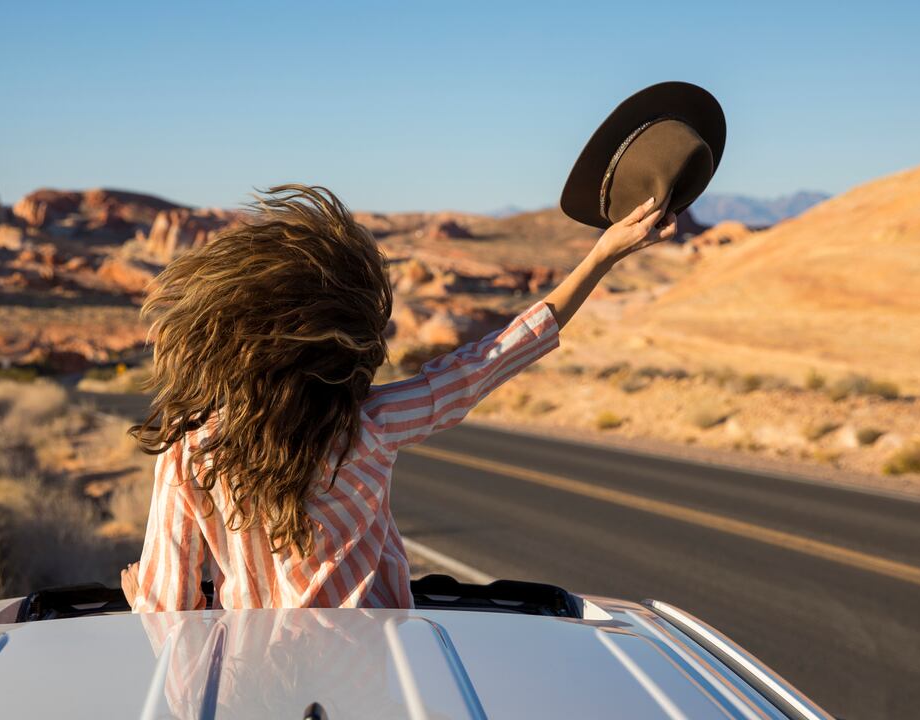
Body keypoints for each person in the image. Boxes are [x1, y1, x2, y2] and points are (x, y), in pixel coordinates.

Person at [121, 184, 675, 612]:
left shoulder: (189, 454)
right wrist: (602, 255)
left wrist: (141, 593)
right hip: (382, 664)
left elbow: (169, 610)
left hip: (256, 685)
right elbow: (491, 359)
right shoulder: (372, 426)